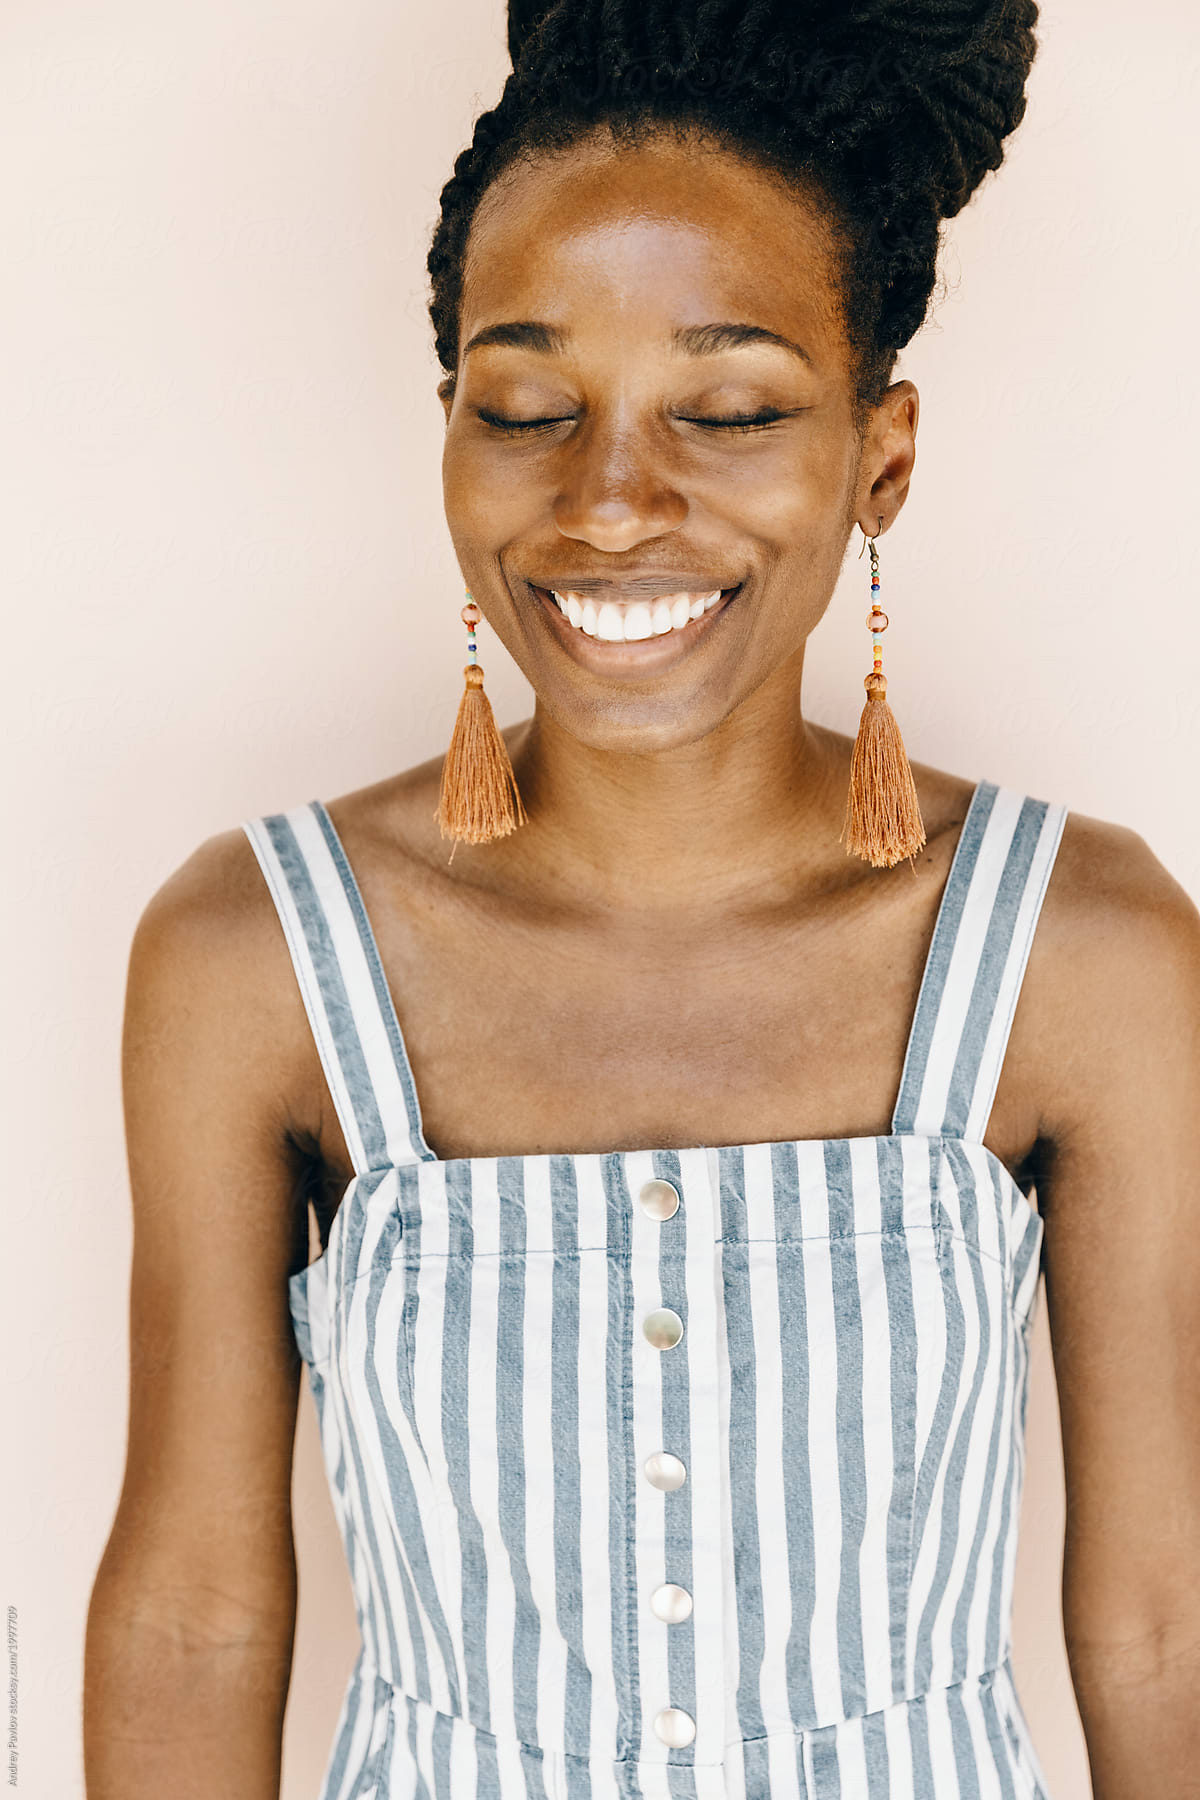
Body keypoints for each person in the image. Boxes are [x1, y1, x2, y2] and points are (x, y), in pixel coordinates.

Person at [83, 0, 1200, 1795]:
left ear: (882, 457)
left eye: (731, 406)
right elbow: (198, 1610)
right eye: (526, 406)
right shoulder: (256, 955)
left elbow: (1163, 1618)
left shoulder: (1088, 952)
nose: (612, 501)